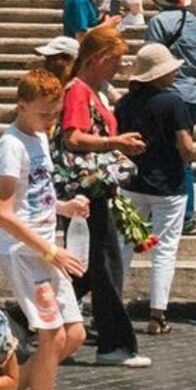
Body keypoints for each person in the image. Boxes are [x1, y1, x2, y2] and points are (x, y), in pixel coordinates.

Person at [51, 26, 150, 367]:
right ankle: (114, 343)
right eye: (115, 60)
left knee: (92, 267)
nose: (119, 68)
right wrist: (115, 143)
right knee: (104, 264)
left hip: (95, 190)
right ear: (97, 59)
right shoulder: (79, 91)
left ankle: (27, 318)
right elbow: (73, 138)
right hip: (87, 191)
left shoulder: (91, 90)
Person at [0, 69, 88, 390]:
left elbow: (34, 196)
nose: (51, 121)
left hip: (45, 250)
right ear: (21, 105)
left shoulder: (40, 137)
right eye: (44, 113)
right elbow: (1, 212)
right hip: (25, 252)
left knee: (74, 336)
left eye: (55, 114)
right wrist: (50, 251)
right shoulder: (11, 145)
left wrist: (65, 207)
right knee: (52, 336)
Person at [114, 42, 196, 335]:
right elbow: (186, 145)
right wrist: (186, 161)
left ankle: (114, 308)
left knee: (123, 247)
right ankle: (157, 314)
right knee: (164, 250)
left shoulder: (124, 103)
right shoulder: (172, 103)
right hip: (169, 187)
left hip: (132, 184)